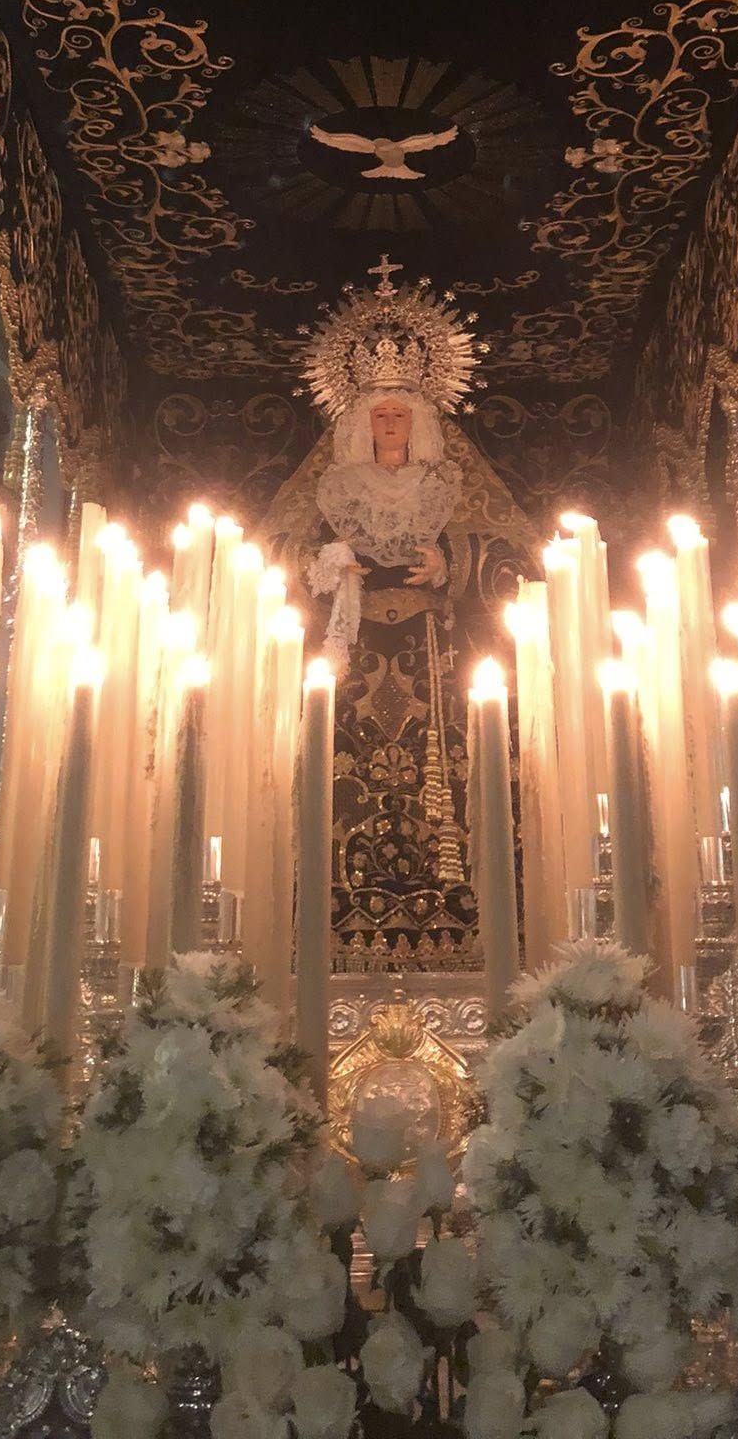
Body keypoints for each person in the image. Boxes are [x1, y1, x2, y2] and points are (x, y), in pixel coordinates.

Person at [262, 264, 533, 970]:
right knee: (338, 753)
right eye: (379, 415)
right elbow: (283, 554)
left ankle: (445, 907)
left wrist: (447, 567)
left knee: (437, 761)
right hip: (353, 653)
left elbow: (495, 551)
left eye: (400, 415)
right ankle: (335, 899)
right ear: (360, 422)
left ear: (418, 423)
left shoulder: (442, 486)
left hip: (423, 643)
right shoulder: (337, 487)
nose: (388, 424)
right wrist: (327, 566)